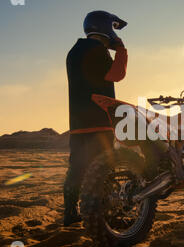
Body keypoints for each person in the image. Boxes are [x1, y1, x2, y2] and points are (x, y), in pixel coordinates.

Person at [63, 10, 128, 226]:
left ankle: (70, 214)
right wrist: (121, 49)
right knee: (105, 169)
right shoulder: (97, 50)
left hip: (78, 122)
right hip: (100, 120)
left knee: (77, 169)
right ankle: (106, 214)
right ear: (106, 28)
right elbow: (117, 75)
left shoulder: (74, 51)